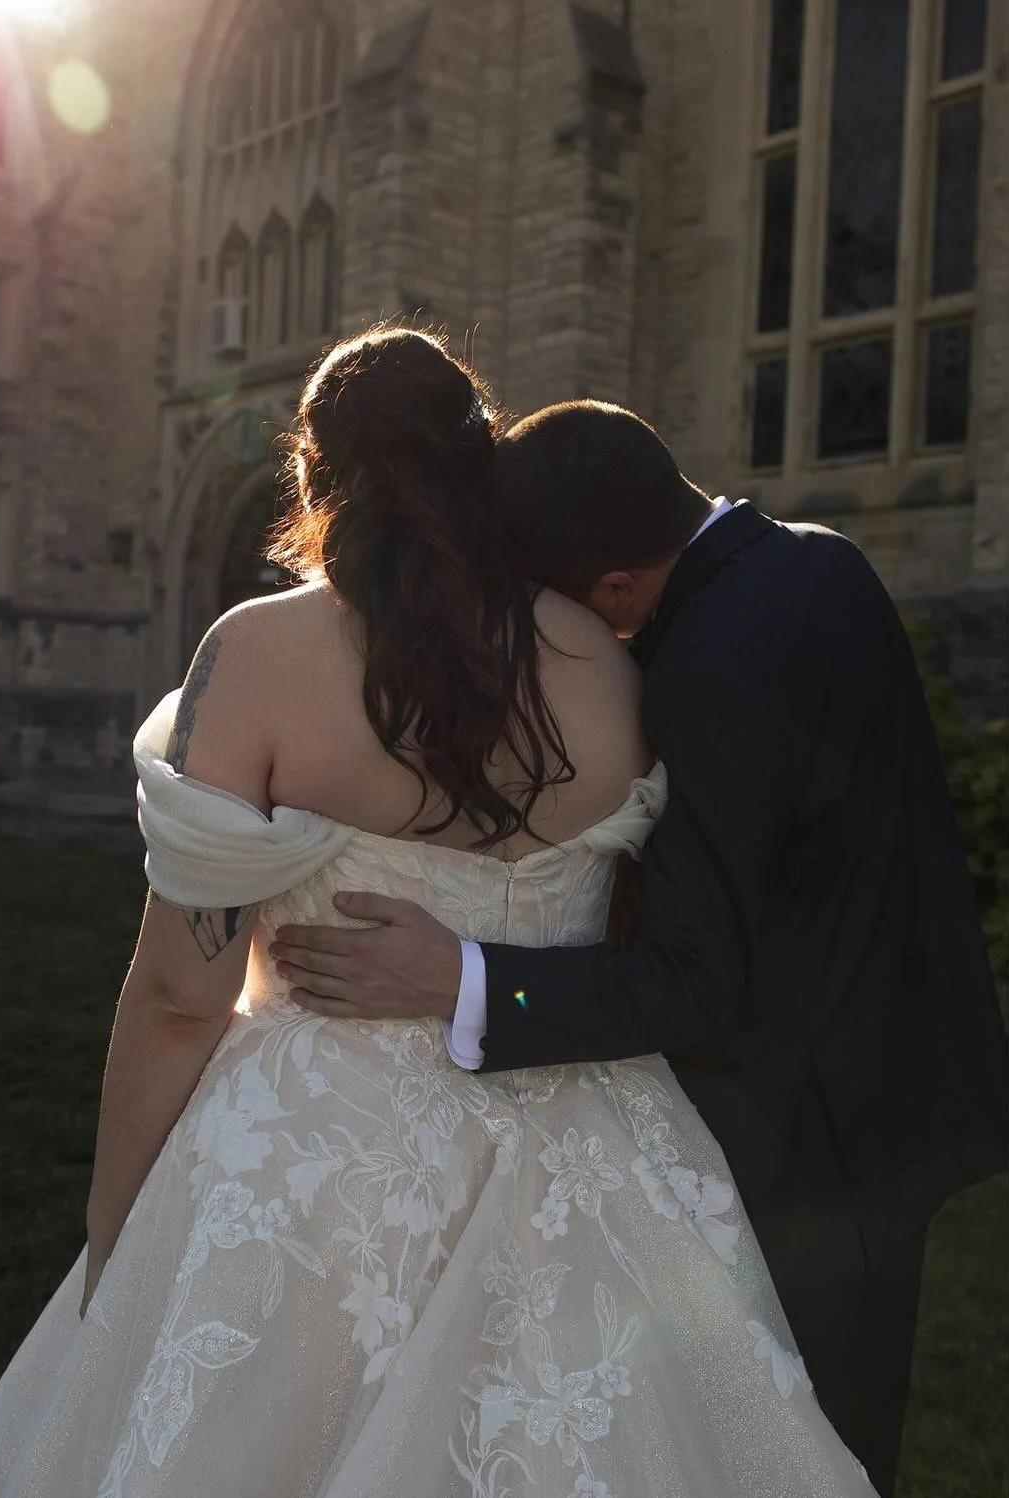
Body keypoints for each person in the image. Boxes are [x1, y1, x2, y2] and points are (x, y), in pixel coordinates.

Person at [0, 336, 879, 1498]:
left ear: (313, 477)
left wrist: (117, 1238)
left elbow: (183, 996)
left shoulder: (261, 651)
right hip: (594, 1147)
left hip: (316, 1173)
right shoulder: (608, 661)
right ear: (480, 458)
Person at [273, 399, 1009, 1497]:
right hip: (893, 1087)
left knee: (793, 1448)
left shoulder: (709, 664)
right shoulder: (821, 562)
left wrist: (463, 975)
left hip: (802, 1145)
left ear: (612, 589)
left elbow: (693, 979)